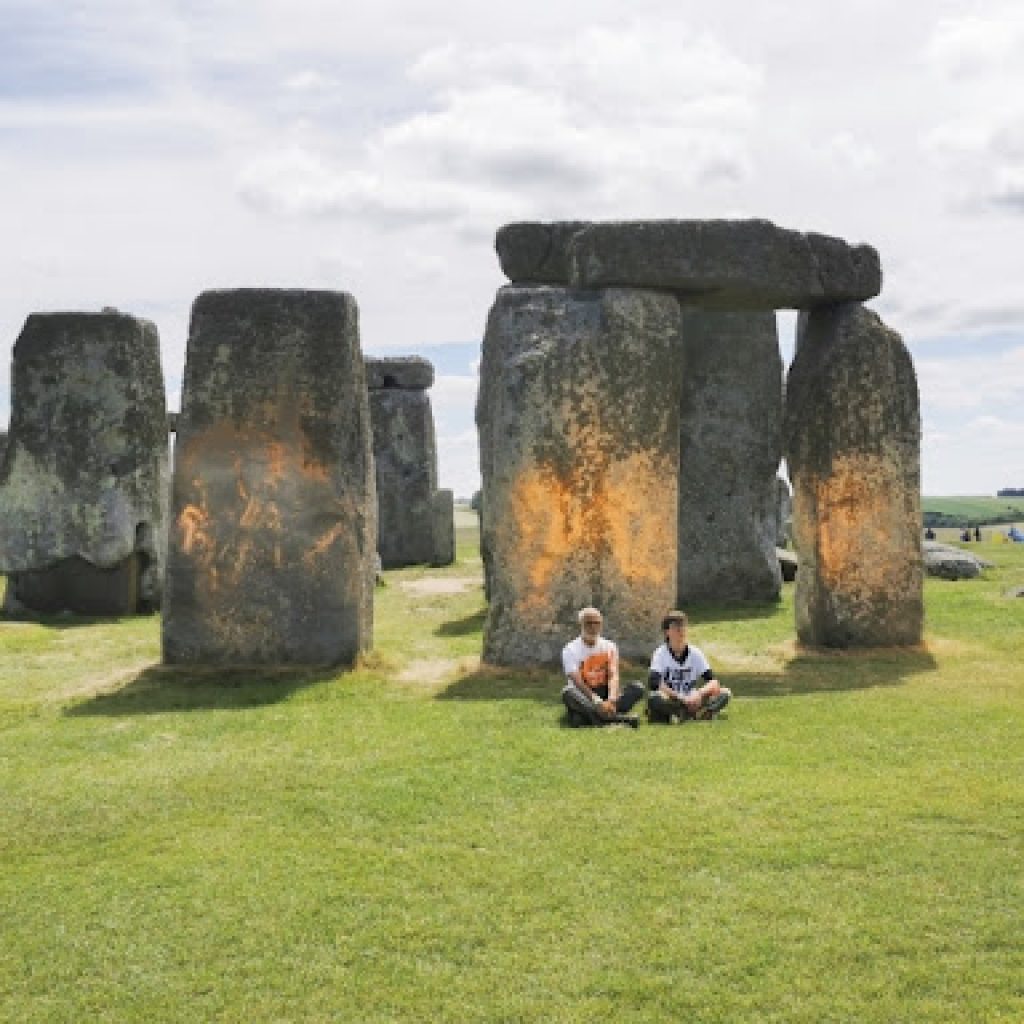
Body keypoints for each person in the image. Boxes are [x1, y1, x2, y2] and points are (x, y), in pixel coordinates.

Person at [561, 607, 644, 728]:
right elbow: (577, 682)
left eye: (597, 623)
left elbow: (613, 674)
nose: (593, 627)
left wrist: (611, 699)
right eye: (589, 623)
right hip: (585, 695)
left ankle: (592, 717)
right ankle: (617, 719)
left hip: (605, 691)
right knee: (567, 692)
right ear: (581, 625)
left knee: (637, 687)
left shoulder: (610, 646)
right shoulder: (570, 649)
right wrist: (597, 701)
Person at [646, 610, 731, 723]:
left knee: (725, 692)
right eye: (676, 626)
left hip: (694, 698)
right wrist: (680, 698)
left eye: (683, 626)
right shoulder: (661, 653)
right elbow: (654, 683)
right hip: (673, 699)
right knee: (654, 697)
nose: (681, 630)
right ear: (667, 632)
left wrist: (699, 694)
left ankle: (702, 712)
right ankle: (681, 713)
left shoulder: (695, 653)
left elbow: (713, 682)